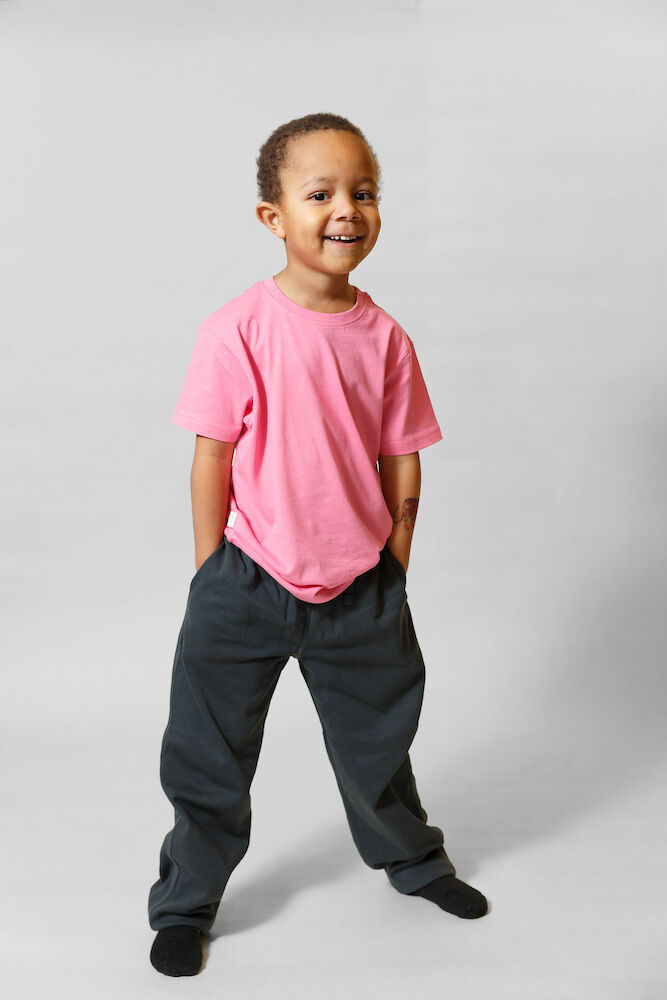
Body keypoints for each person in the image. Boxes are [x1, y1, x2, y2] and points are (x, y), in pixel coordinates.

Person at [148, 111, 488, 978]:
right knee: (208, 758)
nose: (346, 210)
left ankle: (414, 863)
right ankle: (186, 904)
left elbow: (401, 456)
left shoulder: (385, 338)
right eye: (321, 193)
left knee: (379, 746)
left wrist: (394, 564)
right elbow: (212, 455)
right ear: (273, 216)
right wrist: (210, 572)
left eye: (363, 192)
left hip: (361, 588)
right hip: (245, 582)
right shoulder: (237, 328)